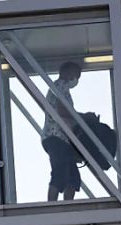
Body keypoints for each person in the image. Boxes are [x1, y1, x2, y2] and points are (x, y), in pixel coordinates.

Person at [41, 62, 83, 202]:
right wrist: (81, 117)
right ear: (68, 72)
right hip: (56, 138)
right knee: (59, 174)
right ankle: (52, 206)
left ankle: (67, 205)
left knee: (73, 177)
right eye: (76, 75)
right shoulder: (60, 86)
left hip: (62, 139)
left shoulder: (60, 88)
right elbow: (63, 111)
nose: (76, 79)